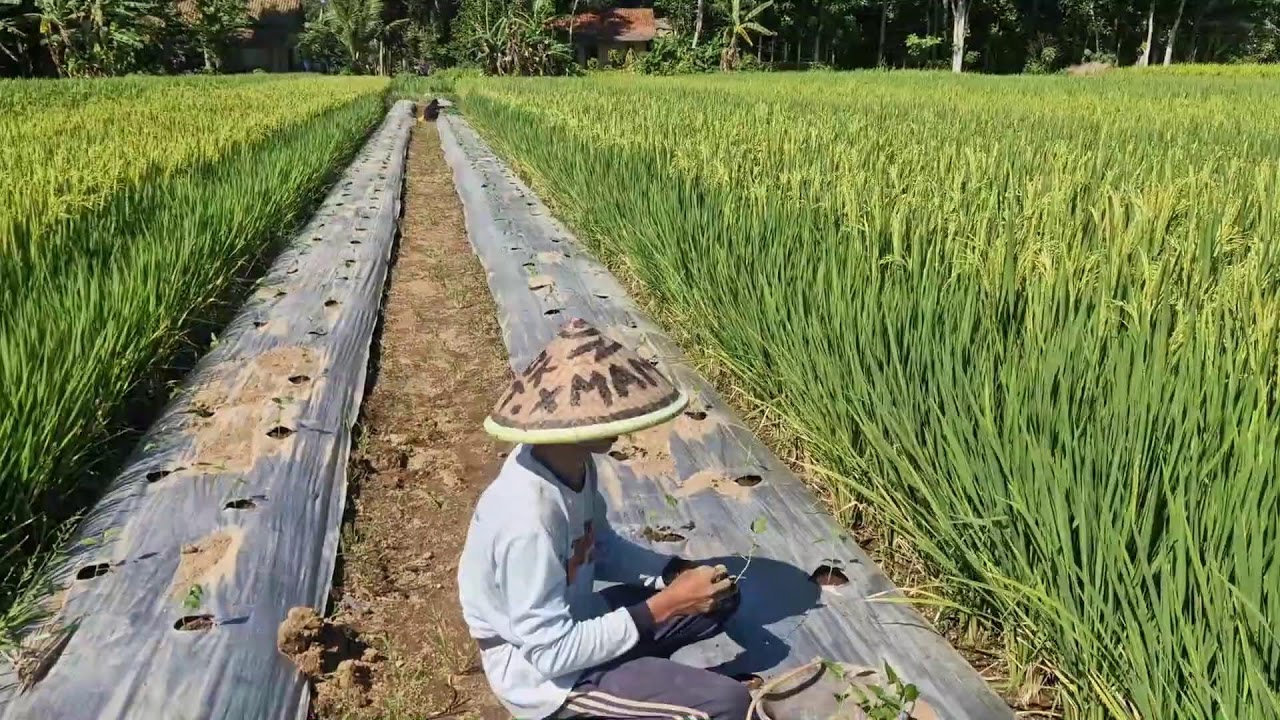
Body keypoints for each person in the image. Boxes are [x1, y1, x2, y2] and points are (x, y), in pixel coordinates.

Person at [458, 318, 755, 720]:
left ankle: (641, 678)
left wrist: (672, 572)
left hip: (578, 619)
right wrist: (666, 605)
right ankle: (619, 692)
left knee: (718, 597)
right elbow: (550, 653)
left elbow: (599, 546)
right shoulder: (527, 520)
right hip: (546, 675)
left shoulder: (572, 463)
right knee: (727, 704)